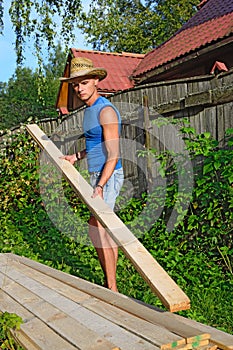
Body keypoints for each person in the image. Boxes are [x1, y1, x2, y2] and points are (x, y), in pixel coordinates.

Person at [60, 57, 124, 292]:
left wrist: (100, 185)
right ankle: (111, 283)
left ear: (96, 81)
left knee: (98, 227)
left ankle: (112, 288)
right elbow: (97, 145)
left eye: (84, 83)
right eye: (75, 85)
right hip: (97, 173)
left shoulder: (105, 110)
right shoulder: (88, 111)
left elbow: (114, 153)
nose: (79, 89)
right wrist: (77, 157)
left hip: (108, 175)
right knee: (100, 227)